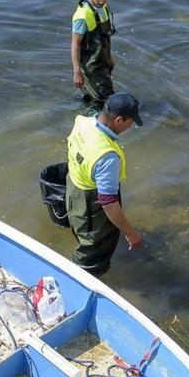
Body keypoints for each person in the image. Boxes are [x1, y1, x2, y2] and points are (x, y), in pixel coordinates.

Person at [65, 93, 145, 276]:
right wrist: (130, 233)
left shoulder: (83, 121)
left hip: (73, 188)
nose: (130, 127)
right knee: (92, 250)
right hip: (90, 205)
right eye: (130, 122)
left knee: (81, 233)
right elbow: (108, 203)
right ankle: (80, 277)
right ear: (118, 120)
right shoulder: (107, 156)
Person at [71, 0, 117, 115]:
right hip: (90, 65)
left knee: (94, 98)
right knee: (108, 98)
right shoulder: (82, 16)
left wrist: (109, 58)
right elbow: (75, 44)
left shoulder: (104, 8)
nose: (102, 1)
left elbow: (104, 38)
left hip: (101, 60)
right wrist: (77, 72)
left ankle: (87, 113)